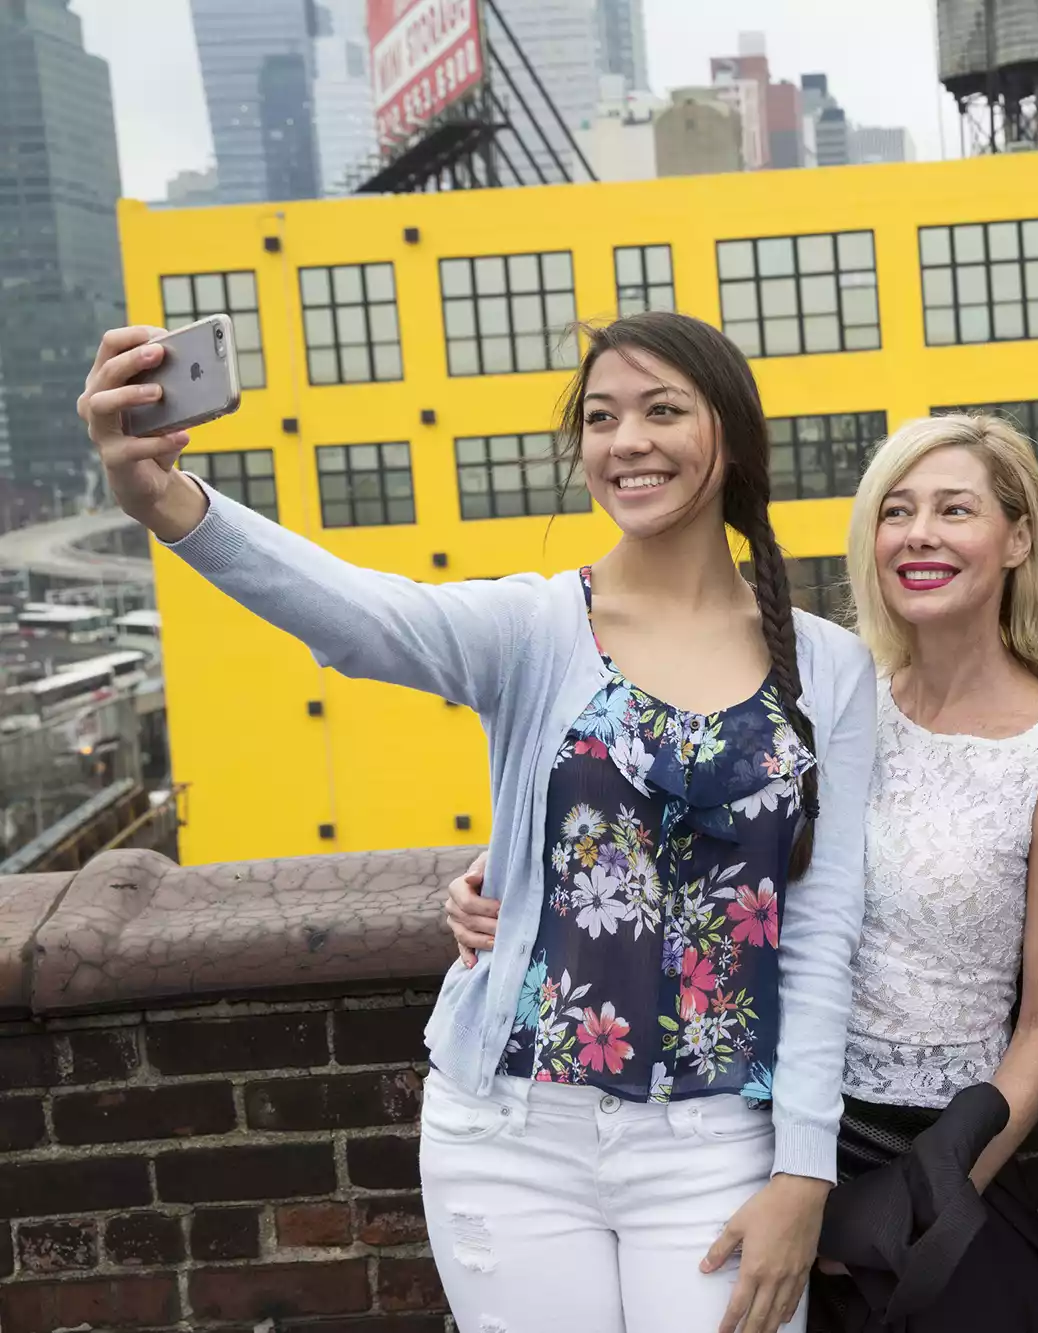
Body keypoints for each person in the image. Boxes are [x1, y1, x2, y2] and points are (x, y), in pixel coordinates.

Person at [78, 312, 878, 1333]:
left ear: (731, 438)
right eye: (600, 417)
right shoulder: (536, 626)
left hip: (716, 1138)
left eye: (663, 410)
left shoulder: (828, 669)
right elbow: (356, 616)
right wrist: (164, 502)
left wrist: (803, 1173)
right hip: (509, 1132)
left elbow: (818, 932)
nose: (626, 440)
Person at [448, 413, 1038, 1331]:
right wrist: (513, 876)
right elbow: (663, 826)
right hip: (754, 1138)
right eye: (896, 510)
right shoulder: (821, 696)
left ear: (1020, 537)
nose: (918, 533)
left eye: (954, 509)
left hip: (935, 1163)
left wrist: (917, 1204)